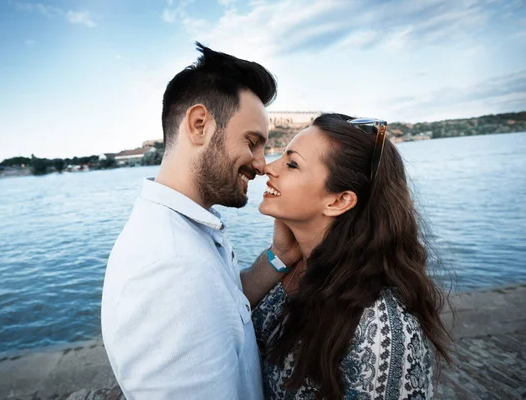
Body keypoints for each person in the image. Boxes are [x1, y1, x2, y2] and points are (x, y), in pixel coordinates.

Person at [101, 43, 301, 399]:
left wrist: (280, 256)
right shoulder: (169, 269)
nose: (262, 164)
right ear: (199, 125)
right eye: (252, 142)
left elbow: (225, 306)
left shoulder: (187, 227)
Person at [252, 113, 453, 400]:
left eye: (292, 164)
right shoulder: (290, 267)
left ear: (338, 200)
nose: (268, 168)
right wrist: (278, 256)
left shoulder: (382, 329)